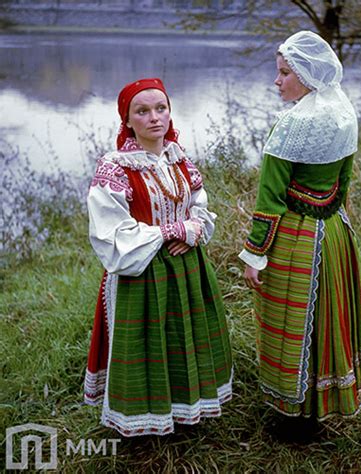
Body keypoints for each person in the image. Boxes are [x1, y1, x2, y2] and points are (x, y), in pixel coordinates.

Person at [84, 78, 232, 437]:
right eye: (142, 111)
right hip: (141, 274)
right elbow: (111, 235)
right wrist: (170, 232)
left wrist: (194, 228)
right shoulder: (115, 168)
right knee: (148, 344)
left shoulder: (179, 160)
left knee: (184, 337)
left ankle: (186, 410)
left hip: (187, 269)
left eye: (161, 108)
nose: (154, 118)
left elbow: (200, 207)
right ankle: (144, 421)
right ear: (128, 120)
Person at [239, 31, 361, 434]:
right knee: (327, 317)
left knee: (291, 322)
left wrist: (255, 254)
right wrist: (334, 225)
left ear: (308, 76)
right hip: (333, 232)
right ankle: (323, 401)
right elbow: (343, 184)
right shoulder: (343, 113)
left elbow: (271, 198)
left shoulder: (292, 123)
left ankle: (290, 414)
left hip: (297, 238)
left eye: (284, 73)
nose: (277, 81)